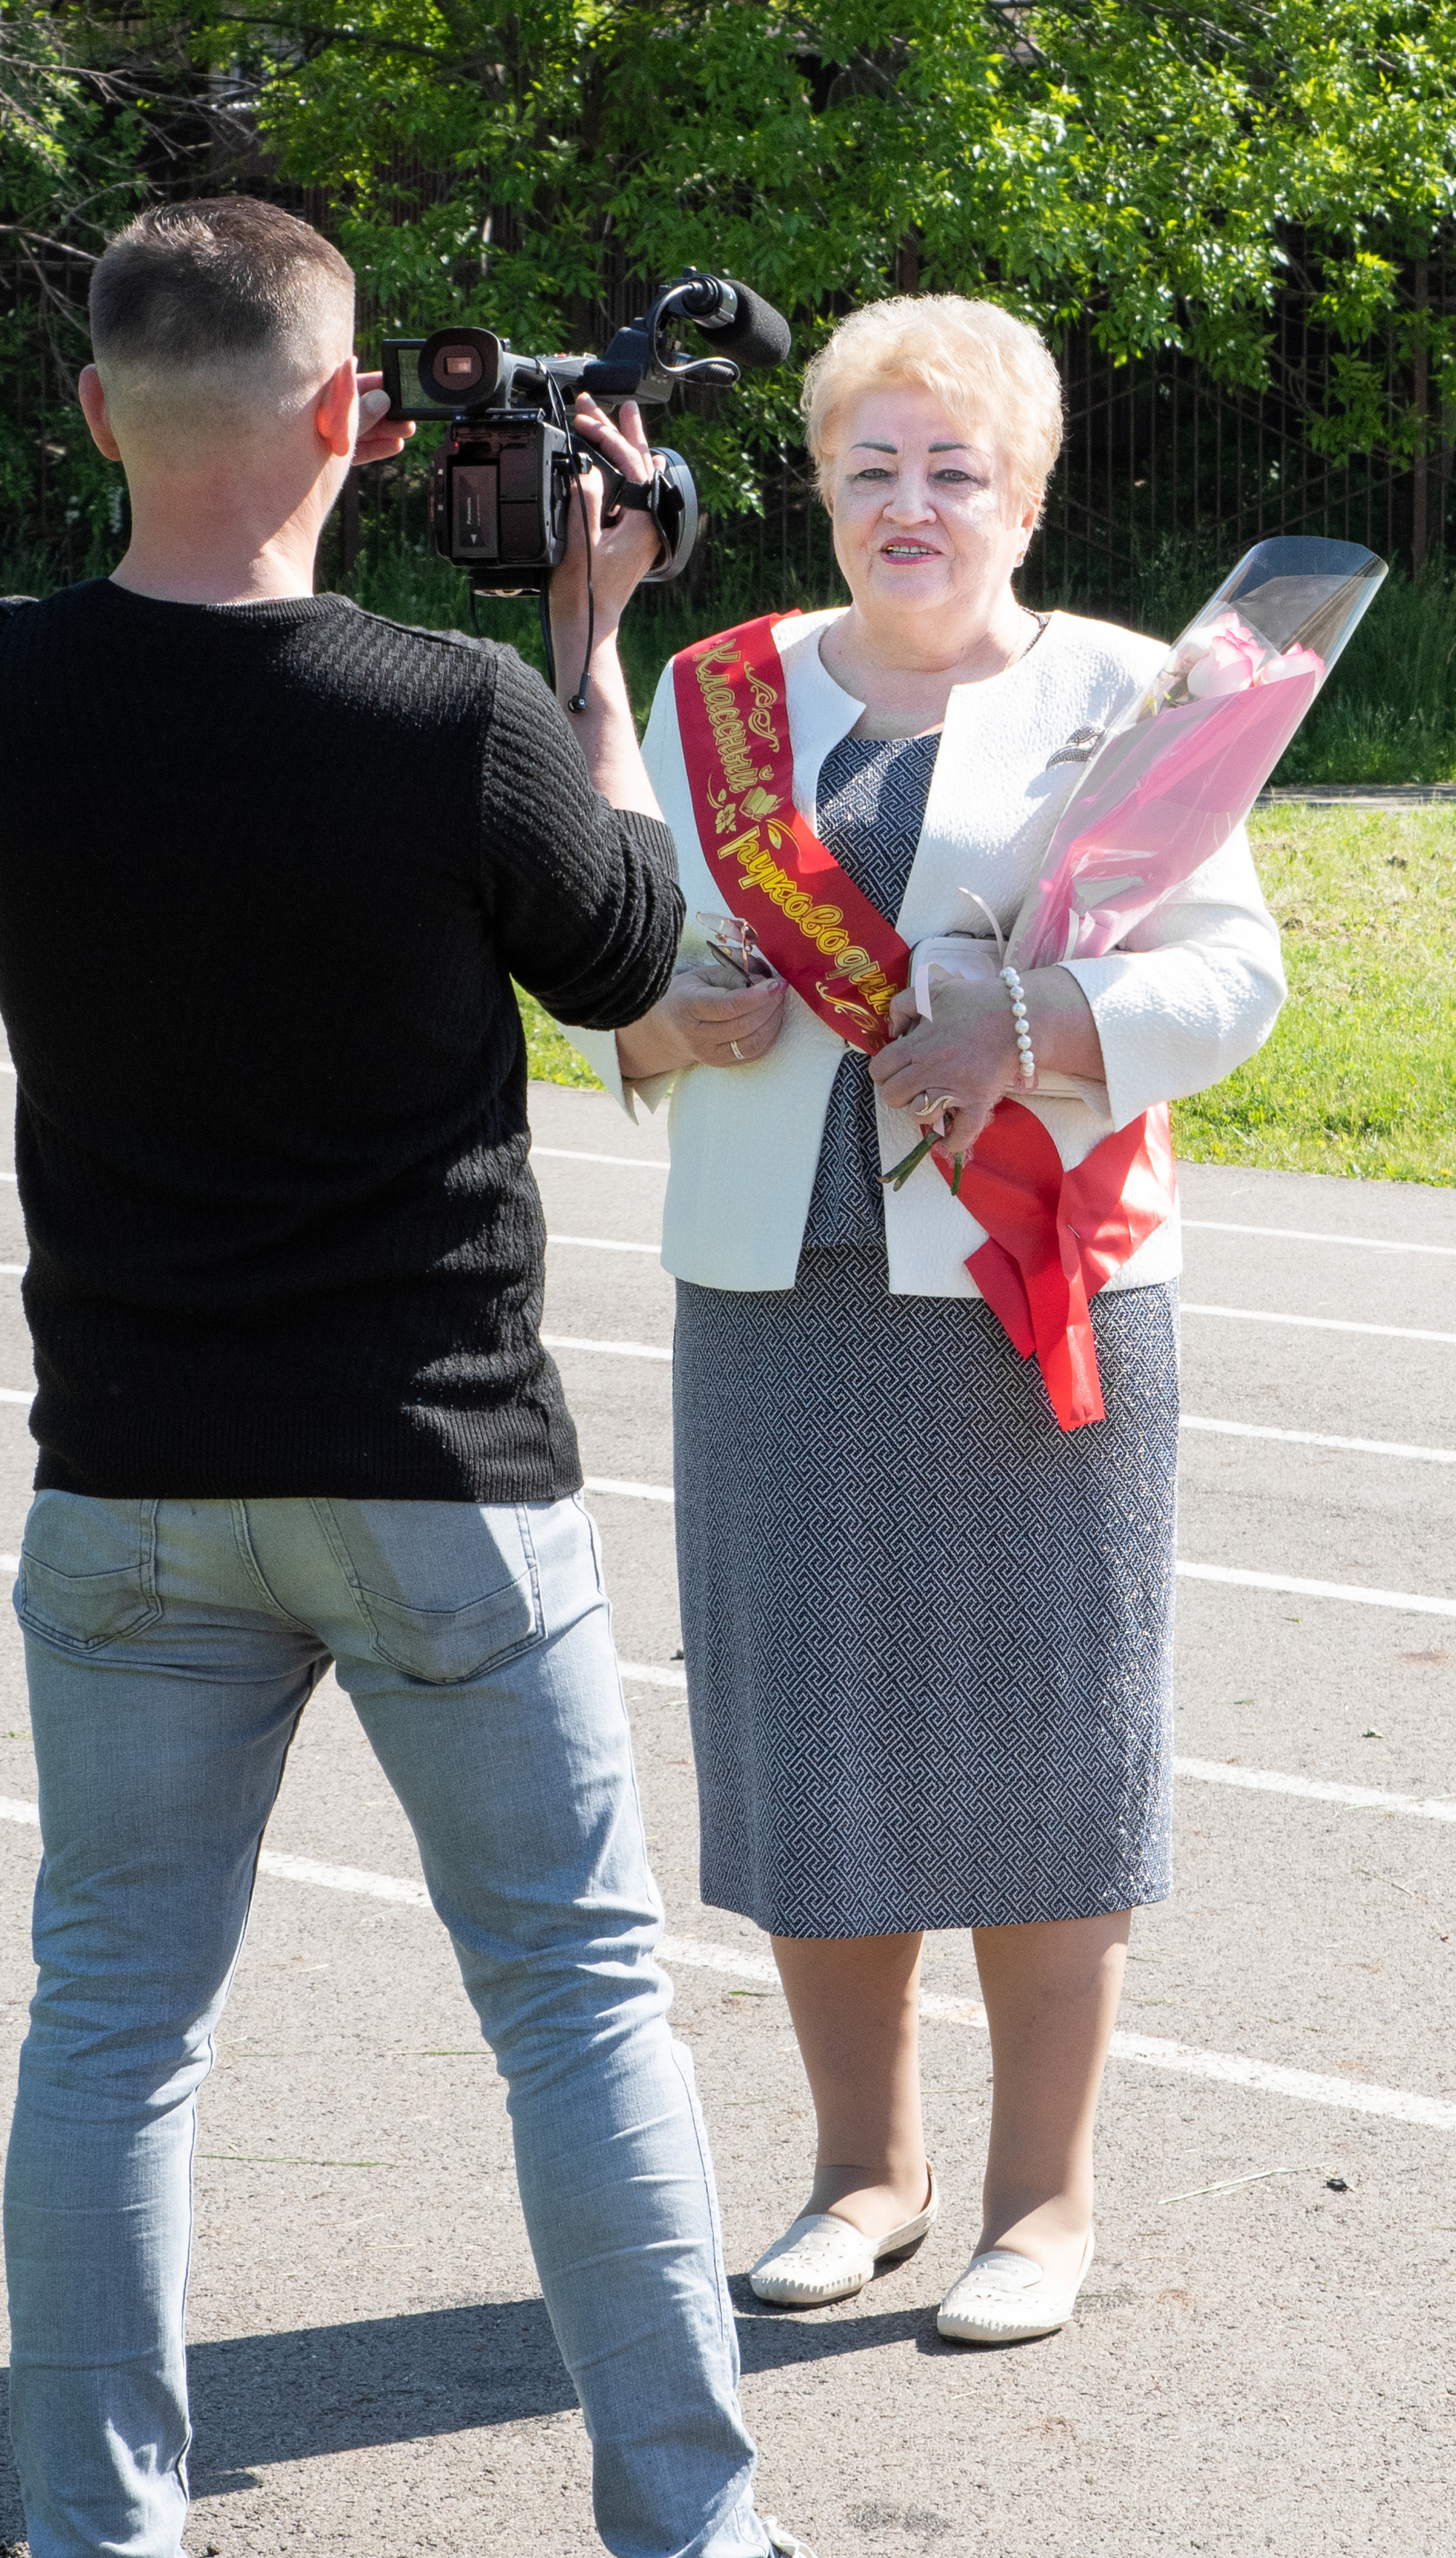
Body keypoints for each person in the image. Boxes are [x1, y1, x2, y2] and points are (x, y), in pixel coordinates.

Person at [0, 198, 938, 2558]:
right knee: (582, 2011)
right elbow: (630, 950)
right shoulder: (445, 709)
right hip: (433, 1463)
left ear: (91, 415)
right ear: (358, 424)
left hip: (129, 1469)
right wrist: (588, 650)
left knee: (109, 2030)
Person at [569, 293, 1284, 2345]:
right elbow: (624, 932)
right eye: (871, 465)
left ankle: (1039, 2204)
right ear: (816, 484)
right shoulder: (724, 692)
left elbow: (1235, 980)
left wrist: (1040, 1021)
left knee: (1052, 1741)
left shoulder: (1137, 695)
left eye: (954, 468)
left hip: (1031, 1289)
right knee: (816, 1746)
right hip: (776, 1295)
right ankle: (860, 2175)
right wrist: (642, 1022)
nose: (911, 503)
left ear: (1029, 493)